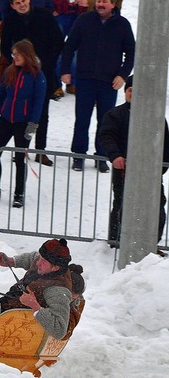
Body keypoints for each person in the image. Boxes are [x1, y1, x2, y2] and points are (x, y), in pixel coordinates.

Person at [60, 0, 134, 173]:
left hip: (109, 82)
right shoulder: (84, 20)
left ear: (113, 4)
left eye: (105, 2)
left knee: (106, 121)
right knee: (82, 119)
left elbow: (131, 52)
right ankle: (78, 155)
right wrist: (65, 70)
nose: (100, 4)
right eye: (98, 1)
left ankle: (102, 157)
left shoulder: (122, 24)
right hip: (85, 79)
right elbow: (69, 46)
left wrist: (122, 75)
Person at [97, 76, 169, 246]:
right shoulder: (114, 115)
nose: (133, 94)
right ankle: (116, 241)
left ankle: (152, 242)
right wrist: (115, 156)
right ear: (125, 92)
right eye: (130, 90)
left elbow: (165, 144)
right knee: (122, 203)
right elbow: (106, 136)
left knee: (157, 205)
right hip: (123, 169)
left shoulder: (156, 116)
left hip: (151, 172)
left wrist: (159, 169)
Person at [0, 39, 46, 208]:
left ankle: (19, 193)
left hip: (23, 122)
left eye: (17, 54)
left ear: (26, 54)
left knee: (20, 158)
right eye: (13, 54)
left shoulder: (37, 75)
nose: (14, 57)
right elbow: (0, 95)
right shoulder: (9, 71)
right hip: (6, 120)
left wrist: (33, 124)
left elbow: (39, 102)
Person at [0, 0, 64, 167]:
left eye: (24, 1)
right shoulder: (10, 21)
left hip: (44, 72)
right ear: (12, 6)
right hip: (20, 74)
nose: (22, 5)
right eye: (17, 3)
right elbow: (5, 47)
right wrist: (17, 63)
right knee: (22, 113)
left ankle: (40, 151)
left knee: (42, 113)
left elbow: (58, 42)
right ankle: (22, 150)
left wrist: (45, 62)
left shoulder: (44, 16)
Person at [52, 0, 88, 97]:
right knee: (57, 49)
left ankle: (72, 83)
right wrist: (51, 7)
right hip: (59, 13)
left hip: (79, 13)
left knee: (76, 49)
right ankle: (56, 84)